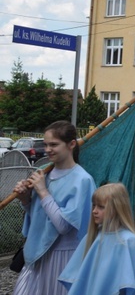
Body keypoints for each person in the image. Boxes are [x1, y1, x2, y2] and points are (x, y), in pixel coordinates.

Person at [12, 120, 96, 295]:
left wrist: (43, 191)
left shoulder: (82, 180)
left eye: (54, 145)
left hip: (63, 256)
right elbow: (38, 216)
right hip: (38, 251)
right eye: (46, 144)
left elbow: (63, 226)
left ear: (71, 144)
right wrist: (26, 199)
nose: (48, 149)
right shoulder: (45, 172)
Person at [58, 183, 135, 295]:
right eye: (94, 206)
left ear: (117, 208)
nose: (94, 211)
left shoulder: (128, 241)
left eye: (101, 207)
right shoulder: (93, 237)